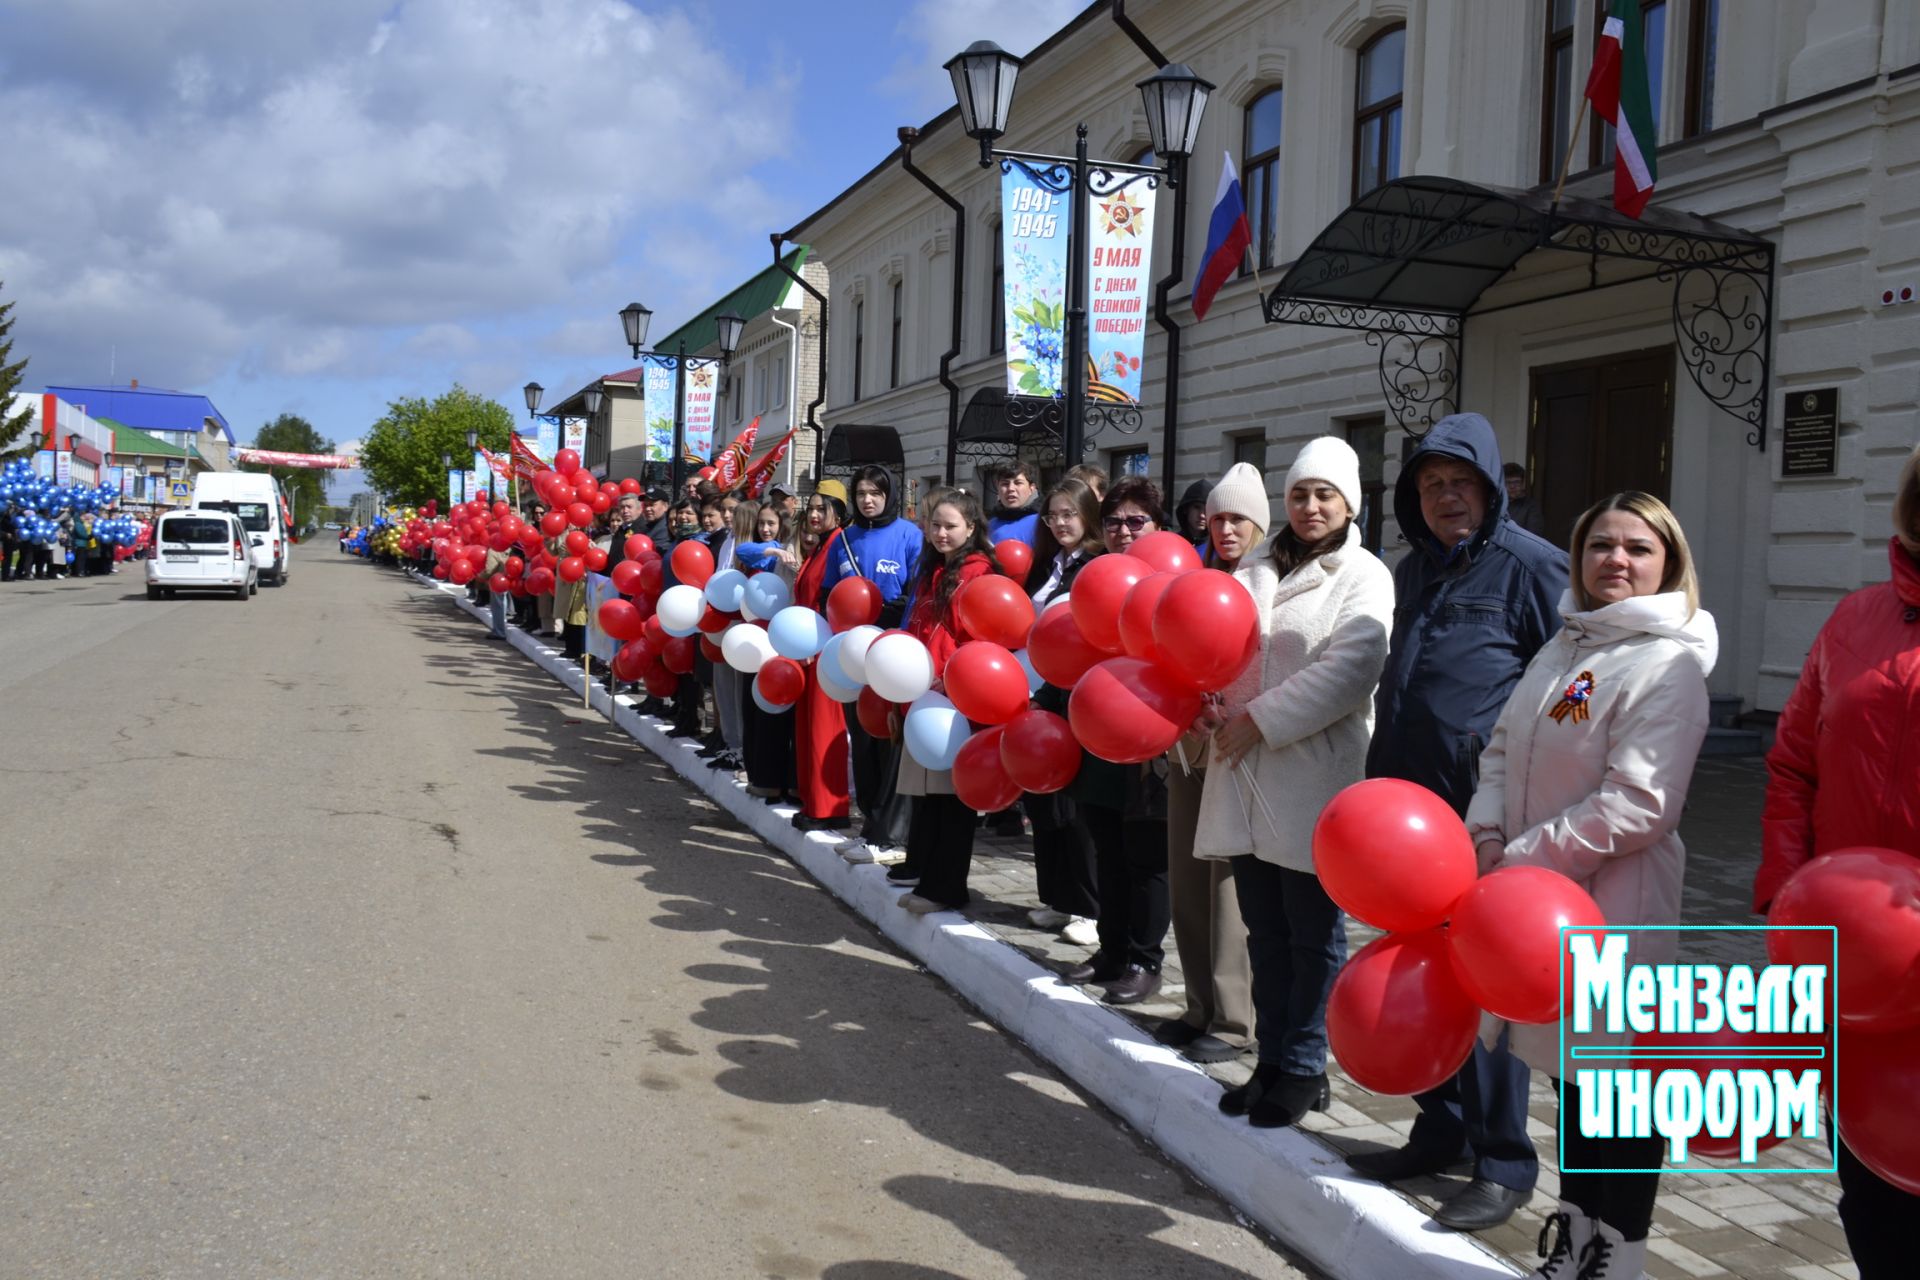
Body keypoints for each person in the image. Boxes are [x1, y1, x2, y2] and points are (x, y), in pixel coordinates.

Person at [1467, 491, 1715, 1280]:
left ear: (1668, 564)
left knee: (1621, 1091)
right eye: (1601, 545)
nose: (1616, 560)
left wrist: (1524, 858)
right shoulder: (1564, 647)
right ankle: (1573, 1235)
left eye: (1638, 548)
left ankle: (1620, 1251)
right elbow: (1503, 748)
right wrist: (1486, 833)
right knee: (1574, 1083)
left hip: (1616, 908)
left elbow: (1640, 802)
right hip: (1541, 905)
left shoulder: (1668, 662)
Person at [1349, 410, 1568, 1231]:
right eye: (1431, 485)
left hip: (1486, 815)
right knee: (1424, 974)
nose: (1447, 498)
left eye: (1461, 482)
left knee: (1489, 981)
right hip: (1408, 816)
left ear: (1489, 488)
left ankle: (1503, 1159)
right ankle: (1438, 1129)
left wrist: (1541, 771)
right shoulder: (1412, 573)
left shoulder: (1532, 569)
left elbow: (1574, 682)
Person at [1754, 444, 1920, 1280]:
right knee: (1871, 1193)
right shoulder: (1855, 619)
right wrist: (1791, 893)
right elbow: (1792, 766)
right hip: (1847, 963)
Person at [1194, 446, 1394, 1128]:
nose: (1311, 507)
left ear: (1349, 504)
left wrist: (1260, 718)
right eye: (1301, 494)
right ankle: (1272, 1059)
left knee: (1312, 936)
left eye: (1324, 496)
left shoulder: (1364, 575)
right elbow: (1225, 645)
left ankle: (1307, 1067)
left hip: (1312, 777)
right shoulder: (1257, 566)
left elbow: (1353, 668)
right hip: (1245, 774)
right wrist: (1212, 699)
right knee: (1264, 934)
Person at [1059, 478, 1178, 998]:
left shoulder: (1171, 578)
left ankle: (1145, 961)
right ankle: (1111, 951)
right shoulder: (1089, 575)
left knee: (1146, 855)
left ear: (1157, 526)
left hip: (1151, 733)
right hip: (1096, 731)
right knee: (1106, 848)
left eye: (1136, 521)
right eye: (1113, 522)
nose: (1123, 531)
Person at [1157, 471, 1260, 1066]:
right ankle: (1197, 1003)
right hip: (1189, 744)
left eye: (1237, 519)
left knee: (1228, 887)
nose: (1224, 528)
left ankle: (1232, 1017)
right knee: (1187, 876)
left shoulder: (1267, 580)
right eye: (1217, 518)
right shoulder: (1194, 578)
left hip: (1239, 746)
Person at [888, 490, 996, 913]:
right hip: (924, 695)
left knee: (951, 799)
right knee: (928, 796)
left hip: (955, 697)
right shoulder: (935, 569)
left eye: (950, 525)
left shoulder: (977, 573)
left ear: (971, 528)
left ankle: (947, 887)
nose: (940, 533)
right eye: (935, 525)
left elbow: (975, 635)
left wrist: (949, 677)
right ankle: (929, 880)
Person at [822, 465, 923, 863]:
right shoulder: (843, 539)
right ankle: (870, 823)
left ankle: (890, 833)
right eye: (861, 492)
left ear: (890, 495)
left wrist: (886, 613)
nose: (868, 500)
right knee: (862, 740)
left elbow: (916, 594)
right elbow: (830, 594)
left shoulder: (909, 535)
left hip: (893, 655)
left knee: (887, 740)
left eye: (876, 493)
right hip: (852, 656)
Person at [1023, 478, 1105, 943]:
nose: (1059, 523)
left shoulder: (1095, 564)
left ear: (1087, 516)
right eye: (1052, 515)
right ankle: (1056, 897)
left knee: (1074, 806)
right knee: (1044, 797)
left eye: (1068, 514)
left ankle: (1089, 907)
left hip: (1076, 691)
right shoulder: (1046, 564)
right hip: (1037, 689)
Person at [791, 480, 854, 833]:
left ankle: (829, 807)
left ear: (839, 512)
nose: (814, 515)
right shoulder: (819, 547)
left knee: (824, 729)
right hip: (806, 649)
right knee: (808, 728)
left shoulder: (838, 546)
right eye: (811, 508)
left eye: (822, 508)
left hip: (824, 651)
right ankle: (812, 801)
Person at [988, 460, 1042, 546]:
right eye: (1005, 484)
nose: (1011, 489)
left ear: (1032, 488)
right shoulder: (989, 526)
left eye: (1018, 483)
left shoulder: (1044, 522)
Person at [1504, 463, 1548, 538]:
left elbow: (1533, 535)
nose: (1512, 486)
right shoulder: (1494, 504)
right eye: (1508, 482)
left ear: (1522, 483)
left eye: (1516, 482)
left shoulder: (1531, 507)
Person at [1174, 478, 1214, 545]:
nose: (1202, 515)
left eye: (1206, 509)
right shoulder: (1173, 543)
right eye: (1197, 507)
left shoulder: (1217, 548)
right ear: (1185, 509)